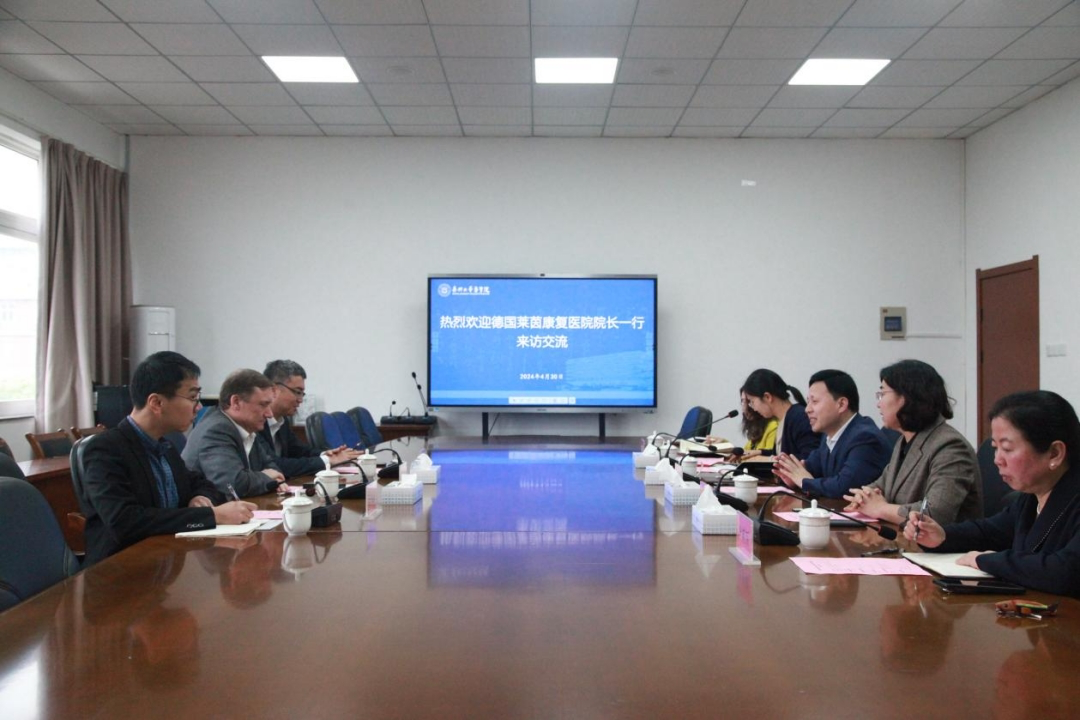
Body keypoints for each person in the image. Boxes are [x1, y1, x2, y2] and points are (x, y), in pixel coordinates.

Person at [80, 351, 255, 565]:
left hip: (164, 561)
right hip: (120, 569)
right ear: (156, 403)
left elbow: (202, 484)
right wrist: (212, 516)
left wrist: (200, 496)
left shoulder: (165, 447)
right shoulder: (106, 449)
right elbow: (125, 521)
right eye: (192, 397)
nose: (199, 407)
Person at [905, 390, 1080, 597]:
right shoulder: (1031, 497)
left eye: (1007, 449)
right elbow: (989, 532)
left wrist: (985, 560)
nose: (997, 460)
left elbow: (1066, 572)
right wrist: (942, 537)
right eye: (995, 448)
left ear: (1055, 453)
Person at [845, 360, 982, 524]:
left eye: (882, 394)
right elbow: (881, 486)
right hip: (904, 536)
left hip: (943, 541)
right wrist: (863, 496)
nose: (878, 403)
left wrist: (880, 509)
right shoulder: (904, 440)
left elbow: (934, 513)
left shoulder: (950, 446)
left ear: (907, 398)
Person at [774, 369, 893, 498]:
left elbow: (844, 487)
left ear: (841, 404)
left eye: (814, 401)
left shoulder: (866, 438)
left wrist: (804, 482)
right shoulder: (829, 434)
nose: (807, 409)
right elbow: (810, 468)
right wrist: (791, 473)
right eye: (808, 402)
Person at [182, 369, 287, 498]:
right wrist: (267, 478)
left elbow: (273, 468)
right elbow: (233, 485)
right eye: (263, 405)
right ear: (236, 402)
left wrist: (269, 477)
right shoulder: (216, 430)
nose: (269, 414)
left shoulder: (246, 427)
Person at [261, 359, 360, 478]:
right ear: (274, 390)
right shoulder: (256, 422)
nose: (300, 400)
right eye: (297, 392)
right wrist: (327, 461)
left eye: (302, 394)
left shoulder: (282, 420)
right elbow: (275, 465)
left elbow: (299, 451)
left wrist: (326, 455)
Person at [741, 368, 821, 460]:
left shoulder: (799, 418)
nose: (754, 409)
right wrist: (760, 452)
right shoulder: (784, 419)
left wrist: (768, 460)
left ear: (767, 397)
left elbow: (809, 458)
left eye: (752, 402)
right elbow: (781, 453)